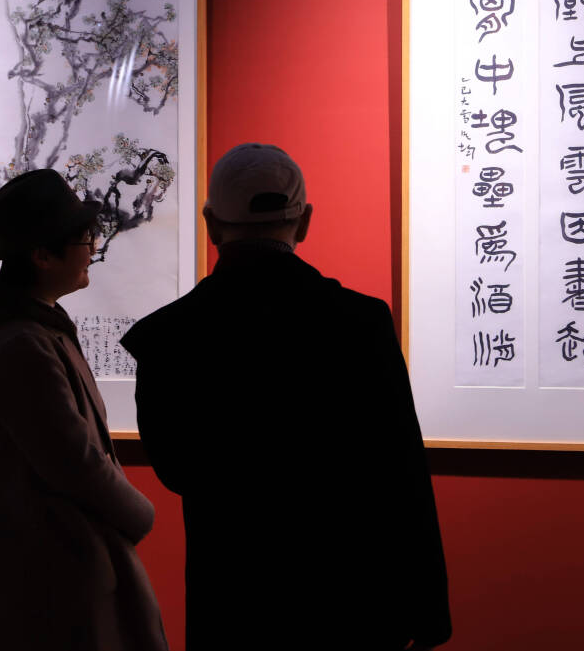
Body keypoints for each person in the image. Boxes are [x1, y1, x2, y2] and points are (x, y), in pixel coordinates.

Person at [121, 143, 451, 651]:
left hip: (234, 603)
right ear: (305, 222)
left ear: (211, 225)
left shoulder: (168, 337)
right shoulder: (359, 323)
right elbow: (400, 469)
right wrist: (427, 614)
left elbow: (176, 471)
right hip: (352, 602)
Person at [0, 169, 168, 651]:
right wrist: (141, 513)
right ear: (42, 255)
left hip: (61, 570)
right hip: (56, 582)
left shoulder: (34, 331)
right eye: (83, 239)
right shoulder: (20, 344)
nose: (93, 248)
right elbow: (74, 461)